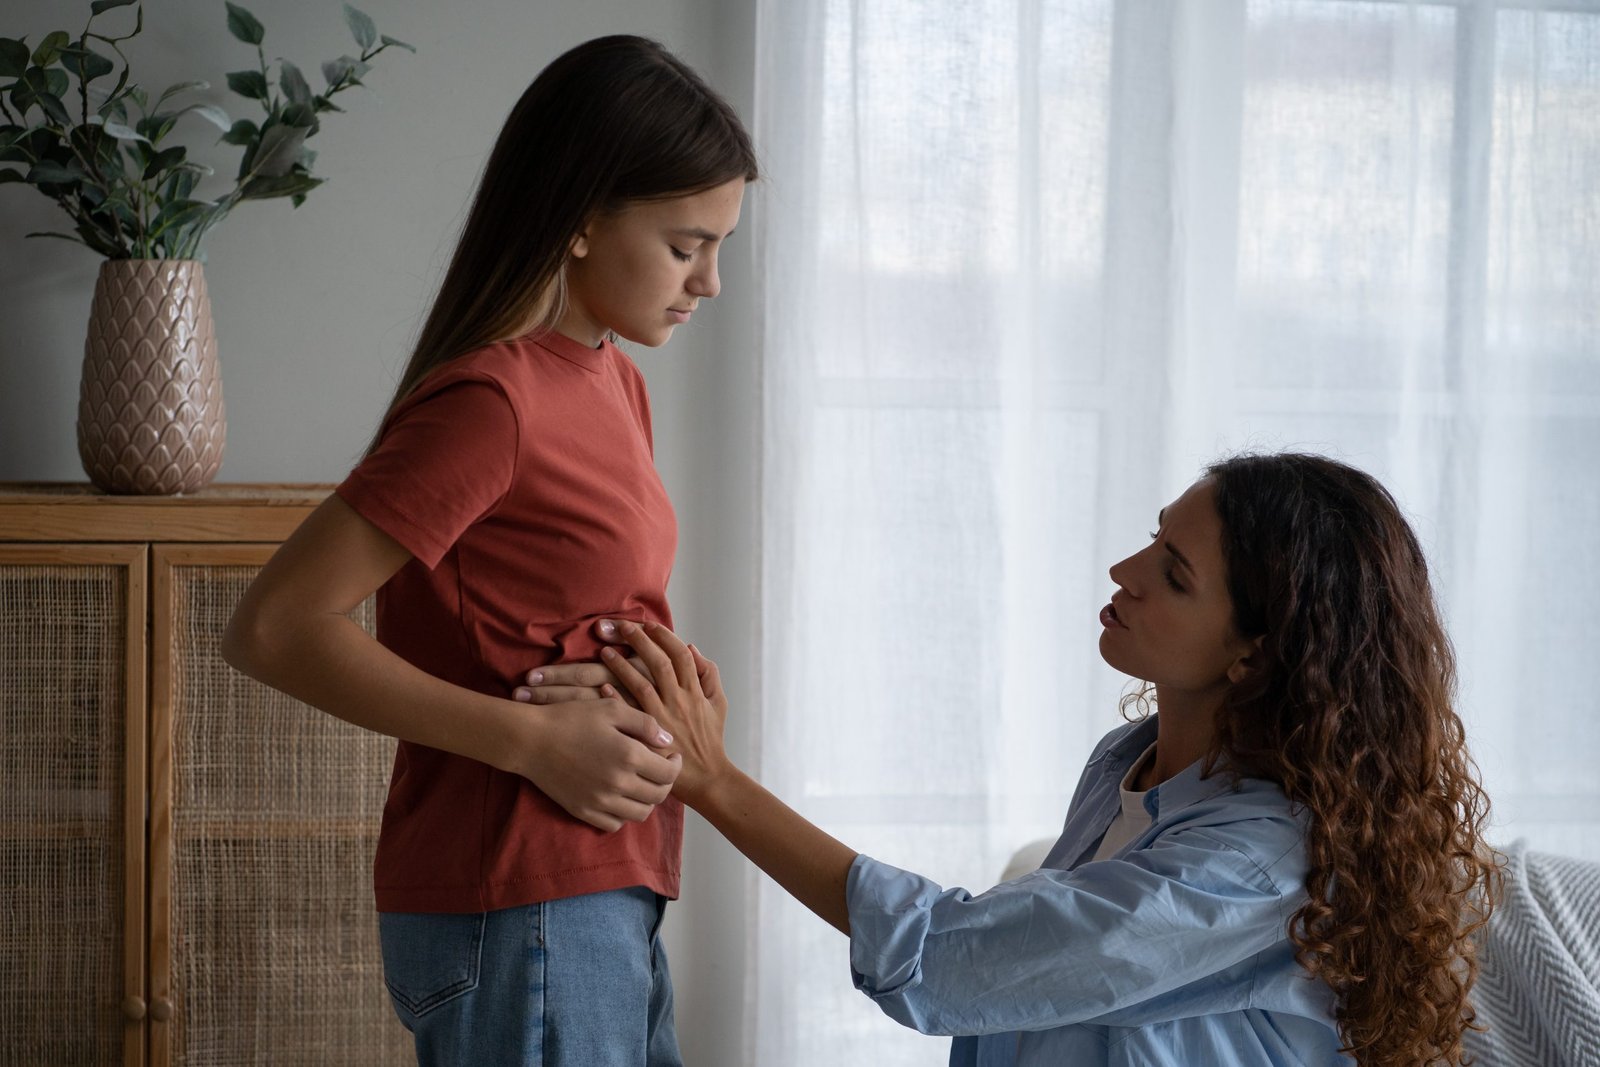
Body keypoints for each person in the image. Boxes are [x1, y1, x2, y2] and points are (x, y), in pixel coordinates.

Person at [527, 452, 1503, 1066]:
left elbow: (960, 956)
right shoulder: (1129, 758)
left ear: (1253, 651)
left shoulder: (1248, 865)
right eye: (1151, 539)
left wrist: (713, 779)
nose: (1122, 573)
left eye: (1171, 574)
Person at [221, 34, 757, 1066]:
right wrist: (536, 742)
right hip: (522, 898)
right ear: (585, 218)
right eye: (687, 244)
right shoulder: (493, 402)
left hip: (603, 878)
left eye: (719, 246)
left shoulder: (612, 380)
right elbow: (275, 627)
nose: (711, 281)